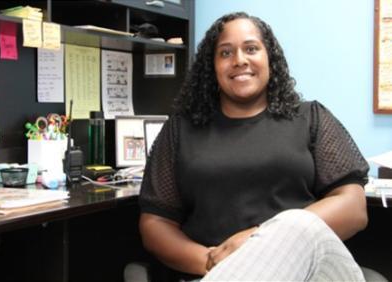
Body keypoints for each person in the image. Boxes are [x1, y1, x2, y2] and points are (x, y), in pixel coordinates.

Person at [138, 11, 369, 282]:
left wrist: (263, 242)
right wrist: (217, 263)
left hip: (307, 273)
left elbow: (353, 206)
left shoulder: (311, 118)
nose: (239, 60)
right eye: (225, 53)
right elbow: (155, 224)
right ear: (211, 67)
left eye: (251, 49)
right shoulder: (181, 129)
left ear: (269, 58)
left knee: (300, 223)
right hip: (211, 272)